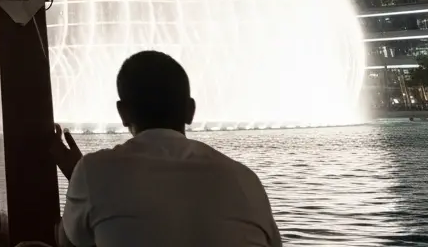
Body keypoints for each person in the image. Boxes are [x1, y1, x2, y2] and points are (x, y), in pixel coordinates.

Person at [51, 50, 281, 247]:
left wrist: (78, 177)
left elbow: (67, 241)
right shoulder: (245, 180)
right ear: (191, 111)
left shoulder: (93, 171)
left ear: (123, 113)